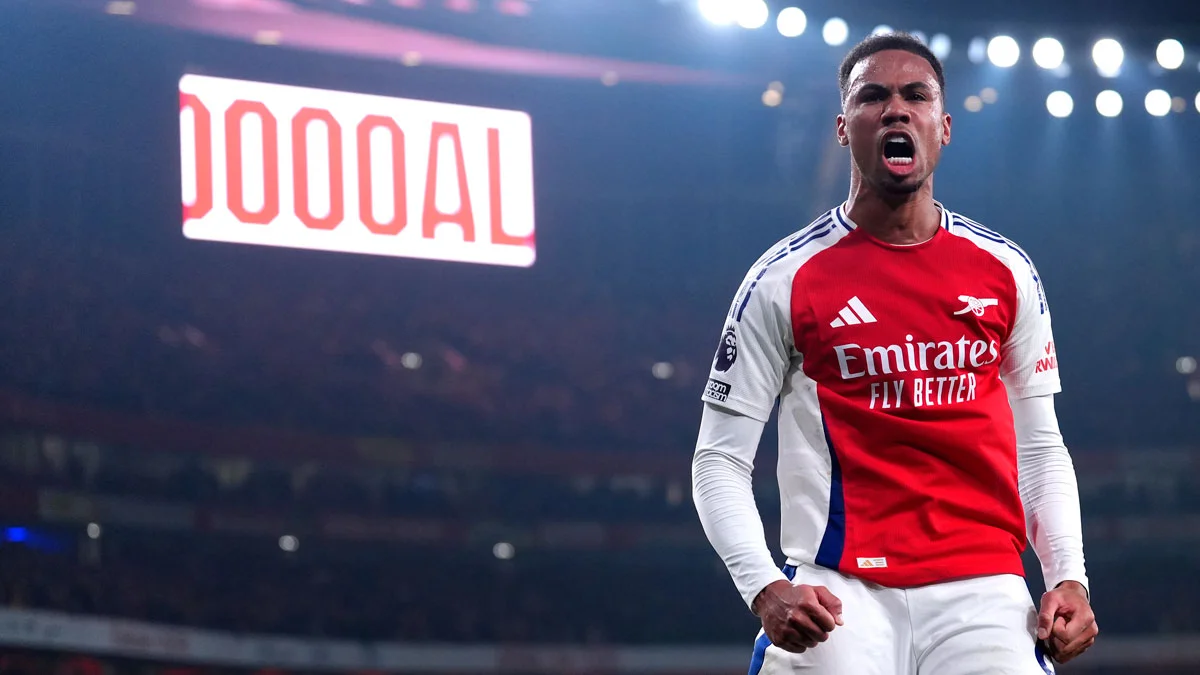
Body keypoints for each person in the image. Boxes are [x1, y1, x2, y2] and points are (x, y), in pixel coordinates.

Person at [691, 33, 1097, 674]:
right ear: (842, 128)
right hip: (837, 588)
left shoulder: (1006, 270)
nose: (895, 110)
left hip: (984, 586)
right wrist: (764, 586)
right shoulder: (782, 279)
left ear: (944, 127)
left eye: (916, 96)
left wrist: (1069, 575)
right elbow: (718, 458)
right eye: (872, 96)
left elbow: (1040, 446)